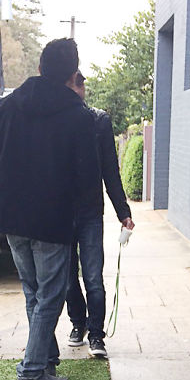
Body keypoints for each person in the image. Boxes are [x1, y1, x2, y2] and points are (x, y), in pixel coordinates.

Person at [0, 39, 99, 380]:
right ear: (71, 73)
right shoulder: (79, 116)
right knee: (50, 294)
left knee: (32, 290)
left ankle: (45, 358)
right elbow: (86, 175)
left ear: (39, 68)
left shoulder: (8, 105)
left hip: (11, 213)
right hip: (51, 218)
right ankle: (33, 368)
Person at [65, 71, 134, 361]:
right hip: (60, 213)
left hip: (91, 212)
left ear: (81, 88)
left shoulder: (98, 120)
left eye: (76, 85)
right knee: (67, 278)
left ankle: (96, 334)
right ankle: (77, 323)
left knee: (93, 276)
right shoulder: (56, 121)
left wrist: (124, 212)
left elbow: (110, 170)